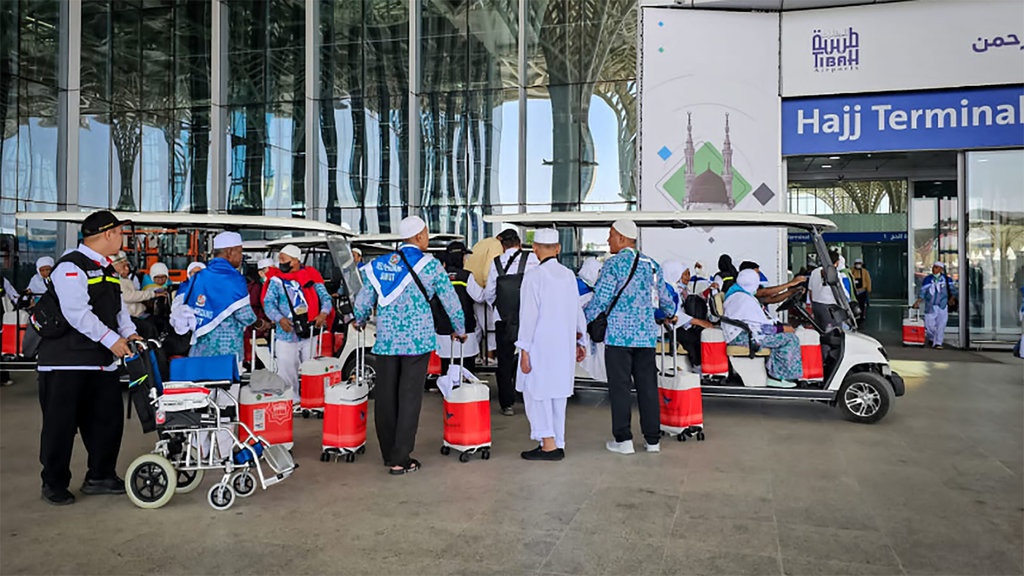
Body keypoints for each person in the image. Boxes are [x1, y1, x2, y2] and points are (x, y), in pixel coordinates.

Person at [36, 210, 141, 505]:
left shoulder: (107, 268)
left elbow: (118, 310)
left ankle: (100, 475)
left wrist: (129, 334)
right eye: (120, 232)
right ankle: (54, 483)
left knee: (108, 420)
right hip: (65, 361)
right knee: (61, 425)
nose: (123, 238)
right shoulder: (71, 267)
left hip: (101, 361)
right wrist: (113, 340)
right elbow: (76, 313)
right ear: (107, 234)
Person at [354, 216, 466, 475]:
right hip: (417, 342)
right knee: (409, 398)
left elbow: (363, 299)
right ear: (418, 237)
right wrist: (459, 329)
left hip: (387, 341)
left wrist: (358, 320)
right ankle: (401, 457)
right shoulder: (431, 266)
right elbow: (450, 300)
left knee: (385, 398)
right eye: (426, 234)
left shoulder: (380, 265)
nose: (427, 238)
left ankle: (388, 453)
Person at [585, 220, 676, 455]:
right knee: (647, 388)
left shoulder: (613, 265)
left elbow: (601, 300)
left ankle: (623, 440)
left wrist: (583, 319)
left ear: (623, 239)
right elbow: (665, 299)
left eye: (611, 235)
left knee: (620, 388)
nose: (608, 240)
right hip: (646, 337)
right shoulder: (652, 266)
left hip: (618, 338)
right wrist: (670, 314)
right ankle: (652, 440)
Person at [516, 229, 586, 461]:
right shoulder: (568, 275)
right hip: (563, 346)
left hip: (540, 346)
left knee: (538, 393)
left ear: (535, 250)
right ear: (558, 249)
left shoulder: (534, 276)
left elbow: (528, 316)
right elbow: (577, 311)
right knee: (558, 395)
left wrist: (524, 349)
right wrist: (580, 340)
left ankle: (548, 445)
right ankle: (557, 440)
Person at [262, 244, 333, 406]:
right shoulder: (276, 280)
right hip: (286, 333)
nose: (280, 262)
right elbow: (268, 303)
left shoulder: (311, 276)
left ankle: (311, 401)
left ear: (295, 260)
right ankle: (292, 401)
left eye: (284, 259)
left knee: (311, 369)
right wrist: (279, 319)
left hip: (310, 331)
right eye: (279, 259)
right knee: (286, 369)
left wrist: (323, 313)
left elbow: (326, 298)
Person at [484, 229, 540, 416]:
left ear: (503, 245)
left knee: (505, 361)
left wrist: (498, 307)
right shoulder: (533, 259)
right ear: (519, 243)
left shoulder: (496, 263)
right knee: (532, 356)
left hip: (504, 319)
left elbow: (489, 292)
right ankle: (531, 395)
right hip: (529, 318)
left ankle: (507, 403)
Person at [178, 231, 256, 360]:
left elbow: (189, 307)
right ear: (230, 252)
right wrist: (259, 323)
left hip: (200, 350)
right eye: (240, 252)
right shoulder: (234, 278)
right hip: (226, 352)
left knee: (202, 379)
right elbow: (244, 316)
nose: (241, 257)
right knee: (224, 380)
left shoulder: (199, 276)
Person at [722, 269, 802, 388]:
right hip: (744, 337)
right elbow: (761, 328)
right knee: (790, 339)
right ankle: (777, 377)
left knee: (785, 333)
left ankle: (775, 372)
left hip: (743, 333)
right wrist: (781, 329)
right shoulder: (744, 300)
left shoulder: (739, 294)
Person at [436, 241, 485, 380]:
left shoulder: (439, 276)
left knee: (447, 368)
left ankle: (449, 397)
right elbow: (480, 296)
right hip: (465, 329)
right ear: (460, 257)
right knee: (467, 370)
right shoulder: (466, 276)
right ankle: (465, 399)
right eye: (464, 257)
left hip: (443, 329)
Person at [661, 261, 714, 372]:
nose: (687, 277)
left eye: (688, 274)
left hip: (677, 324)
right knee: (692, 338)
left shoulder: (677, 289)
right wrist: (698, 322)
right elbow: (674, 313)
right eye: (684, 274)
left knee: (698, 334)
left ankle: (702, 366)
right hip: (666, 327)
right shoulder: (665, 291)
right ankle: (697, 366)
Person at [111, 251, 164, 340]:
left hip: (139, 312)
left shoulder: (126, 279)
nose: (127, 269)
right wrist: (152, 294)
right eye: (123, 267)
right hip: (131, 315)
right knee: (149, 328)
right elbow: (128, 296)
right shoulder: (116, 281)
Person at [912, 261, 957, 349]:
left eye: (936, 268)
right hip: (930, 306)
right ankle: (932, 338)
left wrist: (951, 299)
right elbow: (923, 292)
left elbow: (953, 291)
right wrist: (918, 301)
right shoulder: (928, 279)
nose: (934, 269)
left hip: (943, 305)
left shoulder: (947, 280)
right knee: (929, 326)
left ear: (941, 269)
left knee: (941, 325)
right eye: (933, 267)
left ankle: (938, 343)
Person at [808, 250, 850, 332]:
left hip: (816, 306)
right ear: (837, 262)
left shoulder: (815, 272)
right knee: (833, 333)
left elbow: (810, 291)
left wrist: (813, 304)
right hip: (830, 309)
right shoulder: (835, 274)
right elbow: (842, 292)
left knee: (819, 330)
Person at [737, 260, 806, 305]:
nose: (758, 275)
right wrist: (791, 283)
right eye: (757, 272)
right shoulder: (743, 286)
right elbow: (764, 292)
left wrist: (791, 292)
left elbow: (772, 299)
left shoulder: (755, 286)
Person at [850, 258, 872, 322]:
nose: (858, 265)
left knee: (862, 304)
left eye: (859, 264)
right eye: (857, 264)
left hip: (862, 291)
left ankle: (862, 316)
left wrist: (869, 289)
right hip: (854, 291)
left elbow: (868, 281)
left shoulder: (865, 272)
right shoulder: (851, 271)